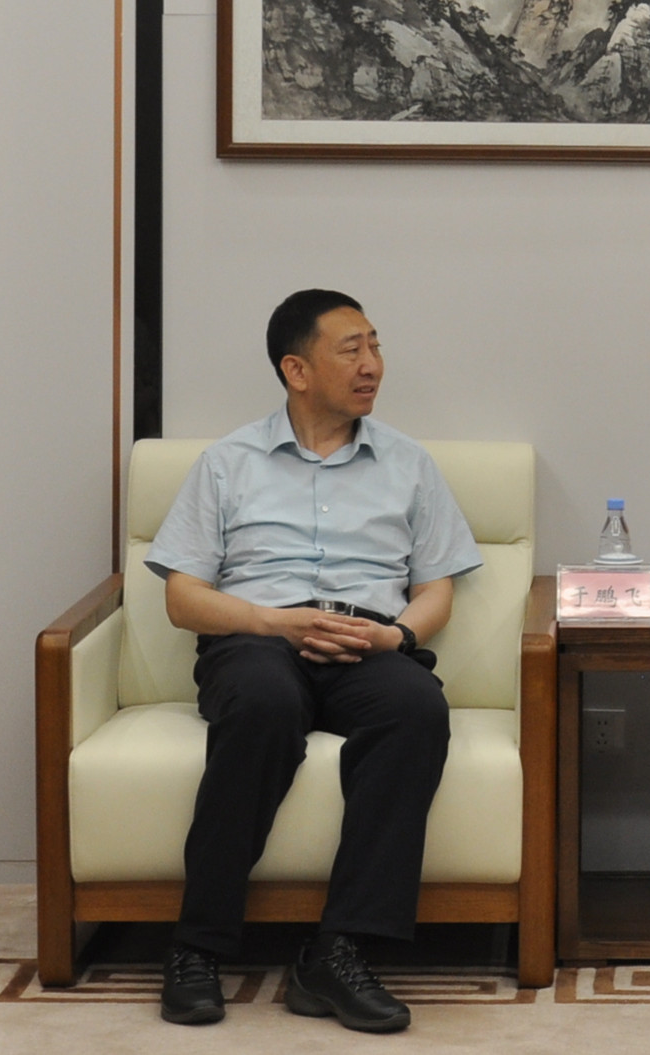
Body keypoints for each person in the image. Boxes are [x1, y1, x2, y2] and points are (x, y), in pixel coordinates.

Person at [145, 289, 482, 1033]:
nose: (372, 365)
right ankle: (197, 945)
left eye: (375, 346)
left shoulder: (409, 464)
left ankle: (339, 949)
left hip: (368, 643)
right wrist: (274, 621)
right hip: (256, 638)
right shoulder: (227, 463)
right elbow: (183, 598)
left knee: (416, 708)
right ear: (295, 370)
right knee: (263, 704)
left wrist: (397, 636)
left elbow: (436, 589)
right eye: (351, 349)